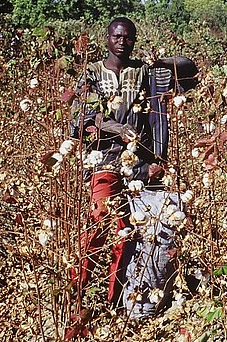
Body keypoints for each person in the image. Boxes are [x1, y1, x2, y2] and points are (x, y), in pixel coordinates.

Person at [70, 17, 198, 306]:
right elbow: (82, 118)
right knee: (101, 225)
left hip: (140, 163)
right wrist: (117, 128)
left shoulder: (144, 72)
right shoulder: (91, 74)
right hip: (103, 160)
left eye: (128, 37)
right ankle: (76, 294)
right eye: (117, 36)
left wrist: (160, 61)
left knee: (134, 233)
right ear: (106, 38)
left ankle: (117, 300)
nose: (122, 41)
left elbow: (188, 69)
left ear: (133, 40)